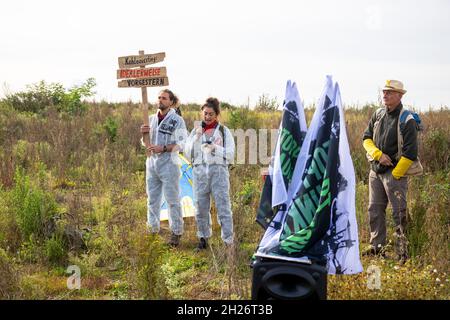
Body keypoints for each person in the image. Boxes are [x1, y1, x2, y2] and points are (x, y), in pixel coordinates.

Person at [362, 80, 419, 263]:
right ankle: (377, 248)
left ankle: (403, 253)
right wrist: (378, 155)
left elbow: (410, 153)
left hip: (395, 173)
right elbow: (366, 138)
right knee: (375, 210)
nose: (385, 95)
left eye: (390, 92)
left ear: (400, 96)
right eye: (384, 92)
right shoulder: (378, 114)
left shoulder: (407, 119)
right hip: (376, 172)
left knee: (399, 213)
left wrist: (395, 174)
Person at [184, 97, 235, 250]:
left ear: (216, 114)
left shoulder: (223, 132)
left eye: (210, 114)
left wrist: (216, 148)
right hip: (199, 173)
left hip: (218, 172)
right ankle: (203, 238)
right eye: (205, 113)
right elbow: (187, 153)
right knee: (200, 207)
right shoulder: (195, 131)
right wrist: (197, 138)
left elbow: (231, 154)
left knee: (223, 207)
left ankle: (228, 241)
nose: (207, 117)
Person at [140, 89, 187, 247]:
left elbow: (182, 144)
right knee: (152, 199)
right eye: (159, 97)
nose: (160, 100)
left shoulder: (177, 120)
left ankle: (176, 232)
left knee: (172, 200)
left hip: (169, 164)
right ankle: (152, 229)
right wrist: (144, 135)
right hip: (152, 164)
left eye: (164, 98)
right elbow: (146, 143)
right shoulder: (151, 119)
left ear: (172, 102)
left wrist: (164, 148)